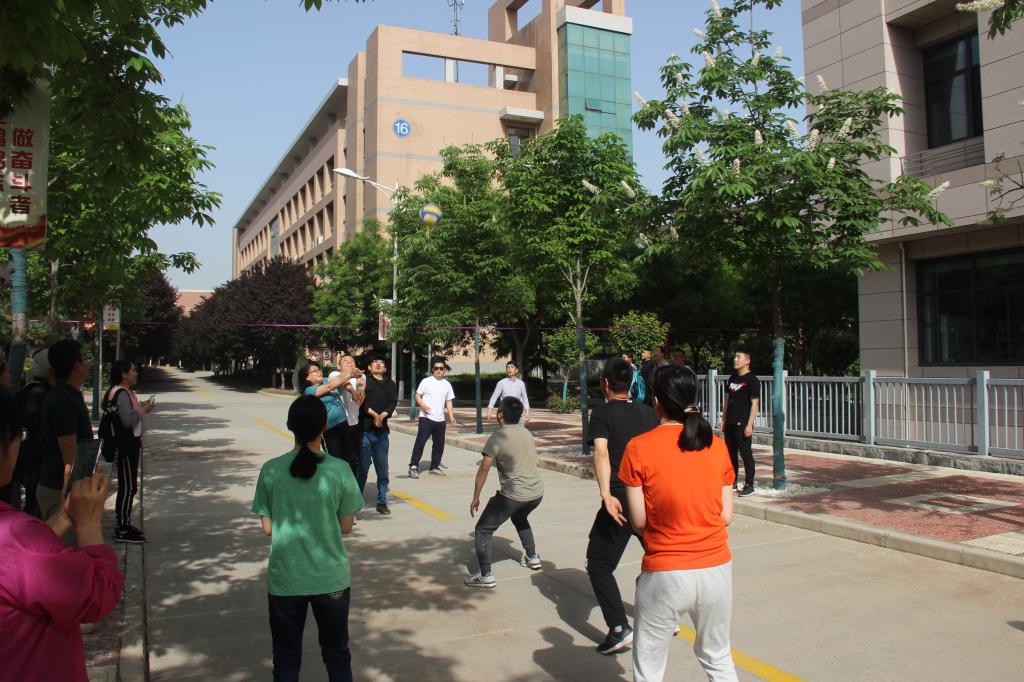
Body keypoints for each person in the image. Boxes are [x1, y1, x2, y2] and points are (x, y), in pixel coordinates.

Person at [620, 364, 737, 682]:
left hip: (665, 571)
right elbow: (725, 516)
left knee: (649, 665)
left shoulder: (638, 448)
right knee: (717, 656)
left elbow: (639, 521)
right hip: (716, 568)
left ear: (656, 401)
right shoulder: (717, 445)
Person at [0, 388, 125, 682]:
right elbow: (98, 594)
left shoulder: (19, 541)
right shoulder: (15, 536)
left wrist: (64, 517)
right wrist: (88, 522)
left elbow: (19, 570)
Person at [252, 394, 363, 682]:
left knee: (286, 659)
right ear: (324, 426)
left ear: (290, 426)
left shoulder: (271, 470)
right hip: (330, 578)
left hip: (286, 579)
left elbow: (268, 528)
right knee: (337, 655)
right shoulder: (339, 469)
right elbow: (347, 526)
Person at [585, 357, 659, 655]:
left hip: (621, 498)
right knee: (658, 555)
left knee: (598, 564)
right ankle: (662, 613)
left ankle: (619, 629)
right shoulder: (648, 413)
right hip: (650, 498)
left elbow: (601, 452)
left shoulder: (602, 413)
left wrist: (606, 494)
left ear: (605, 383)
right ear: (630, 384)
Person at [465, 397, 545, 588]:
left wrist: (476, 497)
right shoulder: (526, 433)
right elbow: (536, 460)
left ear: (500, 414)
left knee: (483, 529)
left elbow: (484, 468)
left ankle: (485, 575)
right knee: (519, 517)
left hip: (514, 495)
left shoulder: (498, 436)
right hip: (536, 493)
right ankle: (532, 556)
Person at [36, 340, 93, 524]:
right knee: (65, 541)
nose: (88, 363)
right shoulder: (62, 399)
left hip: (67, 486)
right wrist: (76, 490)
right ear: (76, 365)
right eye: (85, 358)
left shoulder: (69, 394)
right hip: (60, 489)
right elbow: (69, 451)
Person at [104, 360, 155, 544]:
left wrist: (140, 408)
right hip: (126, 446)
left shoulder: (124, 392)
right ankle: (122, 527)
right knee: (127, 487)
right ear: (124, 374)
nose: (136, 373)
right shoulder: (121, 393)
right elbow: (127, 421)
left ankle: (125, 523)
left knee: (130, 486)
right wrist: (143, 410)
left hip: (130, 444)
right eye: (133, 370)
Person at [11, 348, 54, 517]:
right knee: (35, 505)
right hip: (36, 461)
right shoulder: (41, 394)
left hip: (28, 458)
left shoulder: (29, 391)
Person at [297, 363, 360, 468]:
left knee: (352, 460)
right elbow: (330, 386)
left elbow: (342, 381)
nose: (319, 372)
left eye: (319, 369)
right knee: (336, 462)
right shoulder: (309, 390)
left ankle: (351, 478)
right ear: (307, 377)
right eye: (314, 371)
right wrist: (349, 373)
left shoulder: (327, 380)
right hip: (329, 430)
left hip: (344, 424)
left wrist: (352, 390)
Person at [358, 355, 397, 515]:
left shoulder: (390, 384)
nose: (378, 364)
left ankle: (382, 502)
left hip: (382, 434)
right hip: (365, 431)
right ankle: (356, 500)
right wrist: (375, 415)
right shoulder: (364, 381)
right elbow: (361, 402)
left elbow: (392, 403)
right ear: (369, 367)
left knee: (383, 470)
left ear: (385, 368)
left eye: (381, 363)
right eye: (375, 362)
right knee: (362, 468)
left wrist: (383, 415)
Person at [408, 359, 457, 478]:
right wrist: (423, 406)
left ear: (444, 370)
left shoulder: (447, 384)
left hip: (440, 419)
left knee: (439, 444)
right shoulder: (426, 381)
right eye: (436, 368)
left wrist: (451, 415)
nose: (438, 370)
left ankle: (434, 466)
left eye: (441, 368)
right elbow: (417, 395)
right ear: (432, 370)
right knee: (420, 442)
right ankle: (413, 466)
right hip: (426, 418)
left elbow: (449, 401)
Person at [721, 350, 760, 497]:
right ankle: (733, 481)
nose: (735, 359)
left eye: (739, 357)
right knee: (730, 454)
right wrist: (724, 419)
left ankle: (749, 484)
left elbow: (755, 404)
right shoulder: (733, 378)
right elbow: (727, 400)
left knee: (746, 454)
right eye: (735, 356)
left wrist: (749, 424)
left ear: (747, 361)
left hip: (743, 423)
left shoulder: (752, 380)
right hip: (730, 422)